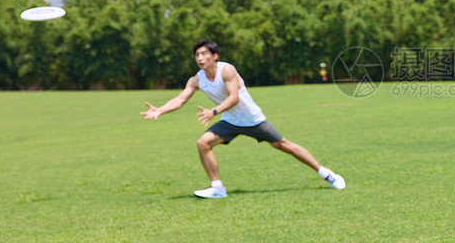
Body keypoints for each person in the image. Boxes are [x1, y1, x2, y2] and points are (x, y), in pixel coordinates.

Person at [140, 39, 345, 198]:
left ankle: (326, 173)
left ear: (215, 56)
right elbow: (181, 99)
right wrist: (160, 110)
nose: (200, 58)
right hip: (230, 121)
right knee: (203, 143)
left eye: (204, 54)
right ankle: (217, 188)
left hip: (252, 119)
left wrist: (213, 112)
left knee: (284, 145)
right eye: (197, 55)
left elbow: (234, 97)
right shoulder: (196, 79)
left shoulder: (226, 70)